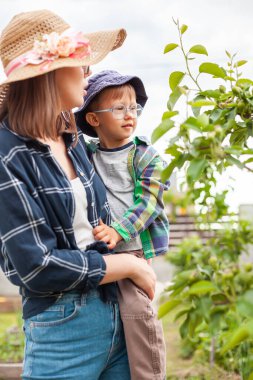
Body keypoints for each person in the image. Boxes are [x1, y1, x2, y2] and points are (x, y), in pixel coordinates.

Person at [0, 10, 157, 380]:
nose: (89, 73)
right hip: (62, 326)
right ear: (51, 74)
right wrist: (130, 265)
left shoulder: (70, 138)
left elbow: (99, 223)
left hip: (117, 314)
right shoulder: (8, 153)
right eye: (81, 64)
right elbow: (37, 266)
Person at [74, 70, 170, 380]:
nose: (130, 115)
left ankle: (149, 374)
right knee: (105, 317)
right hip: (102, 254)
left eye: (134, 108)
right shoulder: (87, 155)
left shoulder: (145, 156)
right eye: (119, 108)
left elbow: (148, 204)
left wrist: (119, 230)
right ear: (94, 120)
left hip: (132, 251)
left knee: (137, 314)